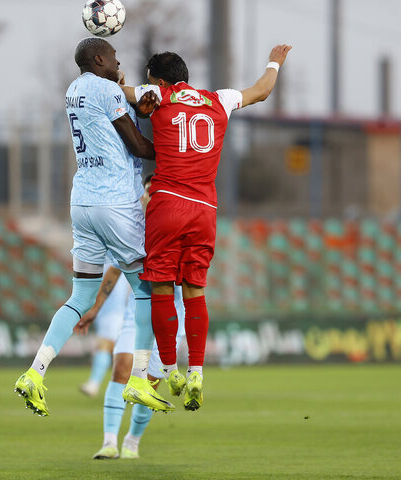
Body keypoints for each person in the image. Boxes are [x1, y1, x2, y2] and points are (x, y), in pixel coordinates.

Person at [121, 45, 292, 411]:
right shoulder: (219, 99)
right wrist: (274, 60)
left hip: (167, 203)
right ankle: (197, 371)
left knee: (162, 286)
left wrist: (119, 82)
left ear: (161, 80)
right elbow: (262, 90)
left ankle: (170, 370)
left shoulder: (159, 95)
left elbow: (119, 92)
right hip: (204, 210)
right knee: (195, 292)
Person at [14, 37, 174, 416]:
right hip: (116, 201)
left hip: (82, 201)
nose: (119, 62)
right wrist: (172, 146)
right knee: (147, 288)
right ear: (98, 58)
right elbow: (137, 146)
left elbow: (110, 128)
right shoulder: (107, 89)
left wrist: (138, 106)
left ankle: (35, 373)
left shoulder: (74, 90)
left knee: (79, 298)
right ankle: (138, 381)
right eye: (114, 57)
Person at [75, 175, 186, 459]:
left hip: (170, 319)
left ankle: (132, 441)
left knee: (149, 385)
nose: (149, 196)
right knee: (122, 369)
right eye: (147, 191)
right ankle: (109, 442)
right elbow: (113, 270)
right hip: (136, 313)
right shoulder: (133, 231)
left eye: (155, 192)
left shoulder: (178, 231)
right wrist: (95, 308)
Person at [78, 264, 131, 397]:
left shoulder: (112, 259)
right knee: (114, 347)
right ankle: (129, 384)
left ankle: (94, 383)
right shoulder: (113, 257)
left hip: (112, 311)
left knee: (105, 345)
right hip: (106, 311)